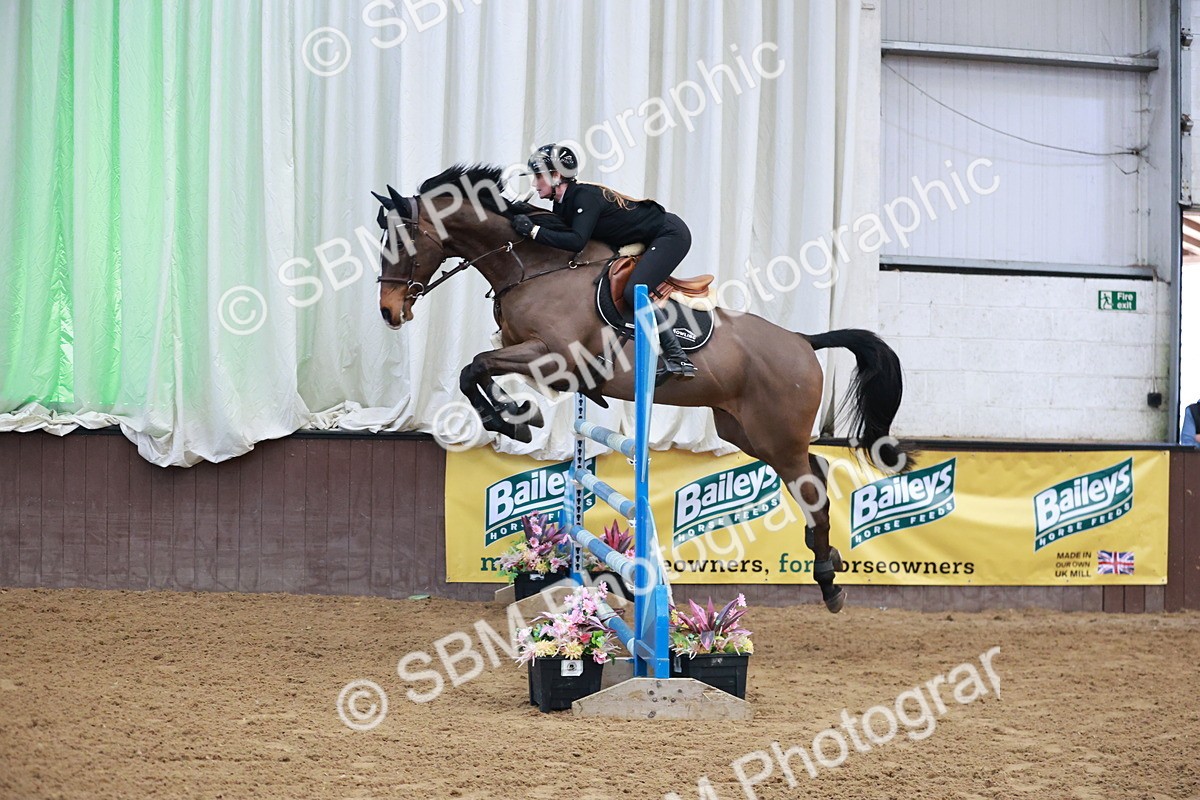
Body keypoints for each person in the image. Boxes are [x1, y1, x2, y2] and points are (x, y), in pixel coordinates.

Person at [510, 143, 697, 379]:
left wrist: (534, 231)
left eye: (539, 177)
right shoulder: (563, 202)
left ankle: (678, 358)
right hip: (648, 236)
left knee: (633, 292)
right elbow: (559, 231)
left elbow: (576, 241)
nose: (535, 184)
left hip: (670, 235)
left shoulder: (583, 197)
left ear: (557, 175)